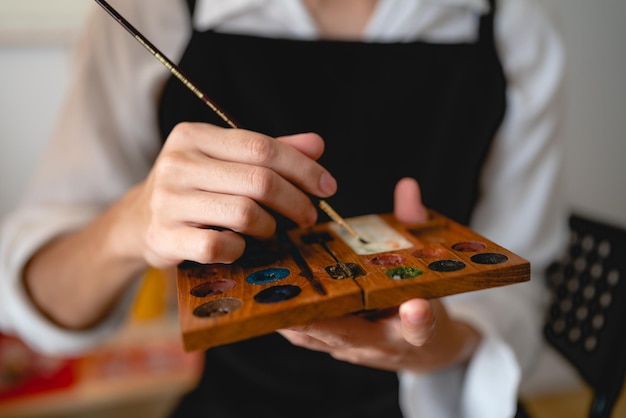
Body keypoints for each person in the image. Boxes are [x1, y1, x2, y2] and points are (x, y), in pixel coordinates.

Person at [0, 0, 567, 416]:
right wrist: (127, 227)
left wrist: (449, 340)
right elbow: (34, 306)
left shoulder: (516, 26)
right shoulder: (146, 11)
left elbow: (521, 281)